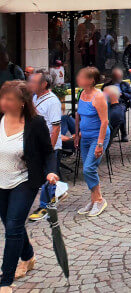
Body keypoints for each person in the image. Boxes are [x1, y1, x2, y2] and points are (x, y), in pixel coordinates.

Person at [0, 80, 59, 288]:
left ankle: (5, 281)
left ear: (22, 103)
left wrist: (51, 171)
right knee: (9, 223)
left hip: (24, 180)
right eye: (3, 97)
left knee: (14, 226)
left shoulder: (35, 123)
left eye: (9, 99)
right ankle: (28, 256)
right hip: (1, 180)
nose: (3, 102)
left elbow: (48, 153)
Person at [26, 70, 63, 223]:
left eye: (33, 82)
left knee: (49, 176)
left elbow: (56, 127)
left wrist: (50, 149)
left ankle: (45, 207)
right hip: (36, 145)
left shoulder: (52, 101)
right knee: (45, 175)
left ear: (44, 84)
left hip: (48, 146)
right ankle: (58, 192)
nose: (30, 84)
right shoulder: (34, 97)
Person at [74, 67, 111, 216]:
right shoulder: (81, 93)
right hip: (85, 137)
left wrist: (100, 144)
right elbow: (78, 115)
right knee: (89, 168)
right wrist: (76, 134)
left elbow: (104, 121)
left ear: (91, 80)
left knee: (88, 168)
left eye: (82, 77)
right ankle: (94, 199)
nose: (78, 79)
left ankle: (100, 200)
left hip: (98, 137)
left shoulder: (99, 97)